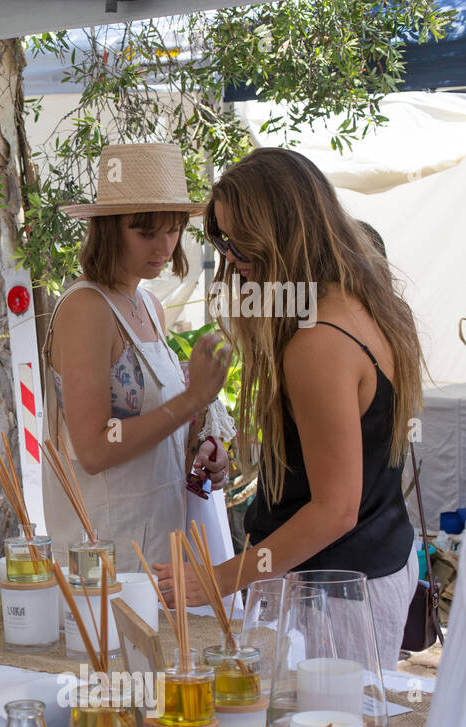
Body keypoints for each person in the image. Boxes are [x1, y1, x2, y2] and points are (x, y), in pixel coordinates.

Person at [156, 149, 423, 668]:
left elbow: (334, 509)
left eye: (240, 244)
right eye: (221, 241)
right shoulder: (363, 301)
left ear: (285, 234)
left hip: (332, 593)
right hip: (365, 571)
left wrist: (218, 578)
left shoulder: (319, 340)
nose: (229, 258)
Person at [44, 143, 234, 572]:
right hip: (105, 556)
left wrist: (201, 449)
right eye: (147, 232)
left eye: (173, 230)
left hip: (158, 542)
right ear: (109, 229)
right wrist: (193, 398)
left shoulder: (149, 305)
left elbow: (151, 433)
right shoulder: (86, 308)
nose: (164, 246)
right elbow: (93, 448)